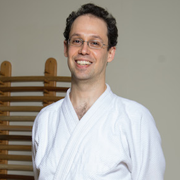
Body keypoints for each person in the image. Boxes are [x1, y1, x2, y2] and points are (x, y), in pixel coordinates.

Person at [32, 3, 165, 180]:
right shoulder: (45, 120)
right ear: (66, 48)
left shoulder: (136, 119)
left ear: (110, 53)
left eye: (95, 43)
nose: (84, 50)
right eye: (77, 41)